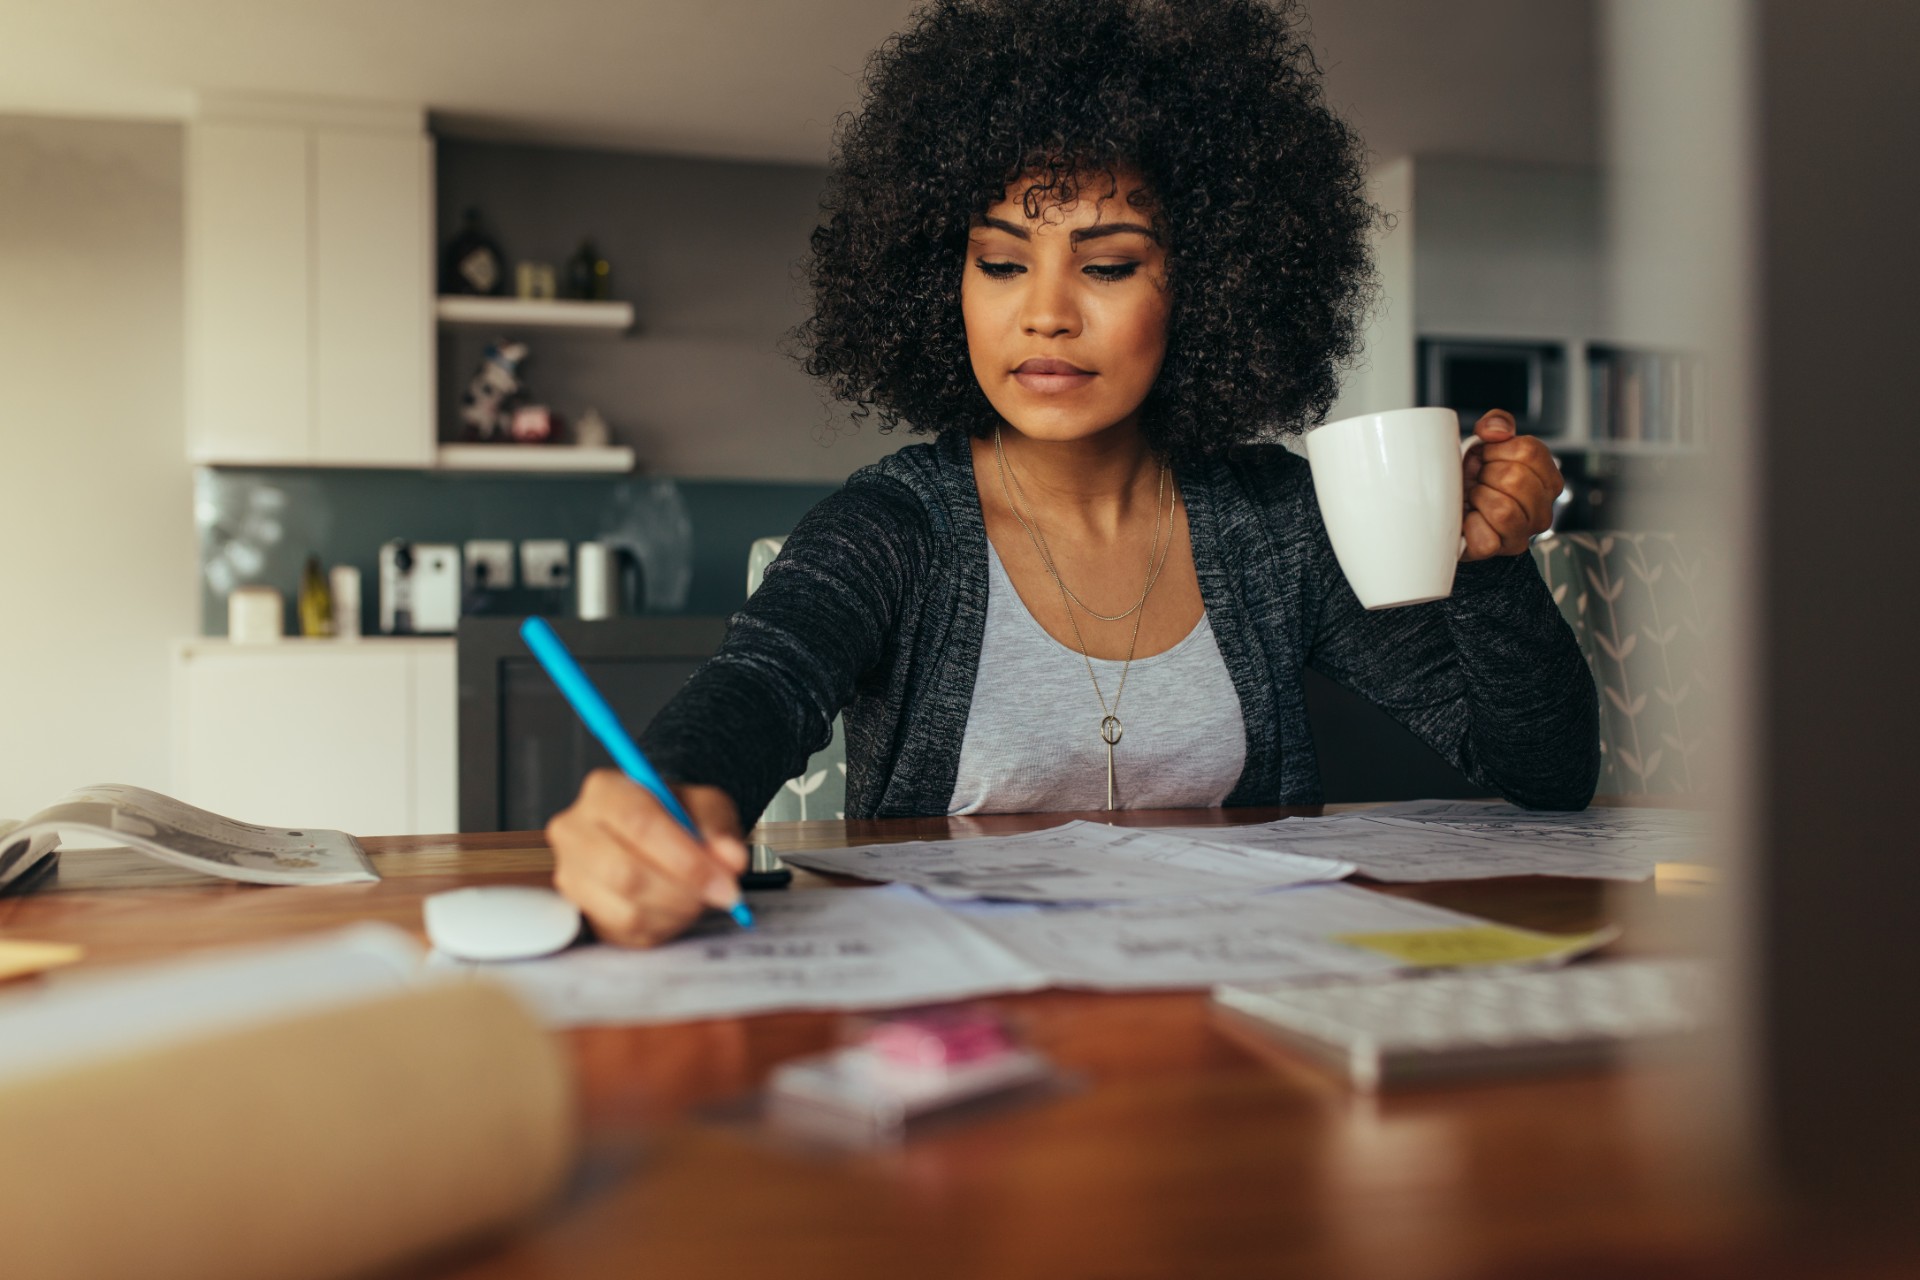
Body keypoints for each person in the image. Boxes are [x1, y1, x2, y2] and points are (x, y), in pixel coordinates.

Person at [546, 0, 1599, 946]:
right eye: (1001, 261)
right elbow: (758, 687)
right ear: (940, 281)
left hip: (1226, 1037)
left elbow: (1543, 773)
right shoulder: (894, 527)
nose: (1046, 309)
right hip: (956, 1035)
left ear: (1206, 287)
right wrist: (668, 802)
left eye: (1107, 264)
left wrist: (1493, 560)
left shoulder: (1273, 523)